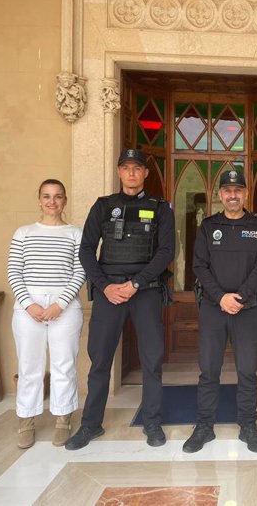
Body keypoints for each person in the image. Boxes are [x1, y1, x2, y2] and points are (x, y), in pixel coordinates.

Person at [65, 148, 175, 450]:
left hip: (146, 291)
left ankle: (152, 423)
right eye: (126, 168)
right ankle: (90, 425)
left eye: (137, 168)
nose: (131, 173)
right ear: (118, 172)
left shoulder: (161, 208)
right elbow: (86, 249)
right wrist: (103, 286)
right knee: (100, 361)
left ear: (145, 173)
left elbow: (167, 252)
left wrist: (136, 283)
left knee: (152, 360)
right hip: (108, 293)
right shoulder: (103, 206)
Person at [183, 169, 257, 454]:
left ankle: (248, 425)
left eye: (238, 190)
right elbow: (199, 266)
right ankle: (204, 426)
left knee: (247, 371)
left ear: (245, 194)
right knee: (209, 371)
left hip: (246, 309)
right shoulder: (209, 226)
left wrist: (241, 297)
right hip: (213, 308)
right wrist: (221, 297)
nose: (233, 195)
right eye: (227, 190)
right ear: (219, 195)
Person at [7, 179, 86, 449]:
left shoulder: (75, 233)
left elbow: (80, 271)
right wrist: (30, 304)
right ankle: (26, 420)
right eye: (46, 196)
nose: (52, 202)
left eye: (58, 196)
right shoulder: (24, 233)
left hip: (64, 305)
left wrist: (60, 303)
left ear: (65, 200)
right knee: (29, 366)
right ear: (39, 200)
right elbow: (14, 271)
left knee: (64, 364)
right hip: (28, 305)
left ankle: (63, 418)